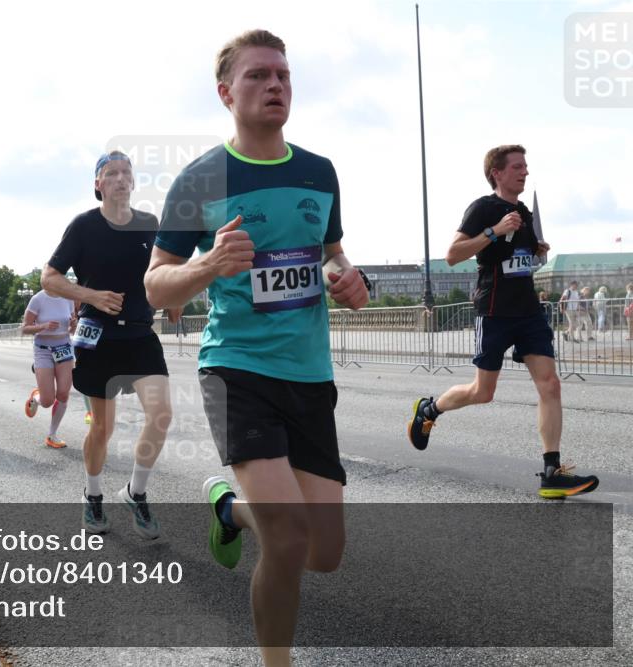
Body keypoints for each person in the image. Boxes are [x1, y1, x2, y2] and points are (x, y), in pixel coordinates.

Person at [143, 29, 366, 665]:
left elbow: (332, 253)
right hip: (237, 370)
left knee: (324, 553)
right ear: (225, 93)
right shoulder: (199, 180)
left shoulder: (319, 172)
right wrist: (208, 264)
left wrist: (347, 276)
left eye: (283, 75)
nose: (275, 85)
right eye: (258, 76)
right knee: (288, 538)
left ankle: (230, 511)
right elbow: (156, 284)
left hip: (309, 374)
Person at [407, 144, 598, 499]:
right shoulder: (483, 208)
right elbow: (452, 255)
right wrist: (494, 231)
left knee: (550, 385)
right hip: (494, 311)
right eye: (517, 167)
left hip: (528, 312)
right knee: (483, 392)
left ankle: (551, 473)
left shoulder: (523, 212)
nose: (525, 172)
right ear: (497, 173)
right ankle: (429, 410)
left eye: (526, 166)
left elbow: (518, 256)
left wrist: (536, 249)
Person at [42, 150, 176, 540]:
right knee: (103, 427)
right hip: (98, 336)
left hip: (140, 334)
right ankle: (93, 494)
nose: (120, 178)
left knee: (161, 414)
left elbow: (165, 271)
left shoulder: (150, 224)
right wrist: (92, 296)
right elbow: (49, 277)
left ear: (133, 181)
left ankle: (136, 492)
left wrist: (173, 298)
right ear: (98, 184)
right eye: (111, 173)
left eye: (126, 172)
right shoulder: (84, 225)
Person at [21, 289, 76, 448]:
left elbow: (71, 329)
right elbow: (25, 328)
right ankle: (37, 397)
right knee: (47, 401)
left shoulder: (68, 298)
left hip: (64, 347)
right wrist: (43, 326)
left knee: (63, 393)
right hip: (43, 350)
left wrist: (73, 325)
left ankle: (52, 435)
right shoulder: (38, 299)